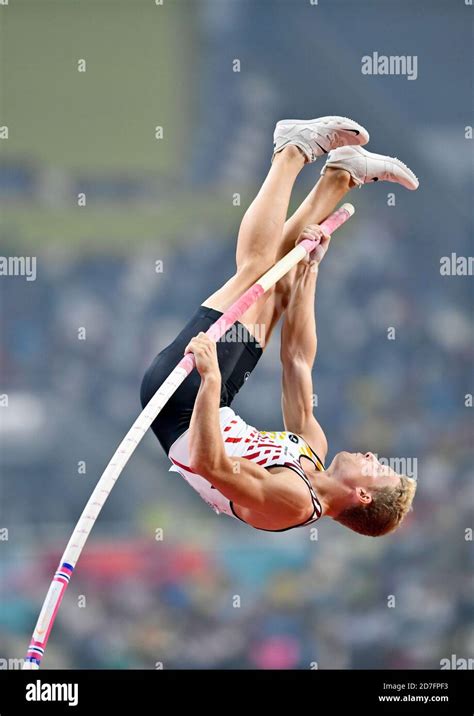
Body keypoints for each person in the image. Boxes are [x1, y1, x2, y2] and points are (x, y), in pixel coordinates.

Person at [140, 115, 418, 535]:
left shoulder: (291, 504)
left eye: (378, 468)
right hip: (211, 396)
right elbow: (297, 361)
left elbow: (208, 462)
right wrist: (309, 273)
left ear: (362, 495)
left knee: (254, 272)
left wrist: (211, 379)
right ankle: (341, 177)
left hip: (183, 401)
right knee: (281, 288)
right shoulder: (312, 452)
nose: (372, 456)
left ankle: (290, 151)